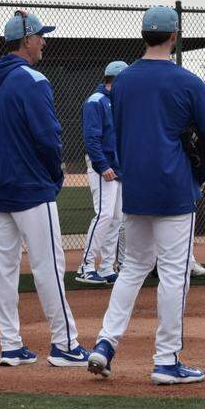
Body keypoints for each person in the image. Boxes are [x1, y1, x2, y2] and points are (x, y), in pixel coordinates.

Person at [87, 5, 205, 384]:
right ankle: (166, 361)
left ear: (143, 35)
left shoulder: (123, 80)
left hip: (136, 186)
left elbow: (122, 131)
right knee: (174, 274)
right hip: (175, 186)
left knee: (132, 267)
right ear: (174, 37)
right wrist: (199, 174)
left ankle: (105, 343)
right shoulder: (189, 81)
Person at [0, 11, 87, 367]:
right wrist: (53, 176)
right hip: (31, 186)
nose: (44, 41)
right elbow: (48, 137)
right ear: (26, 40)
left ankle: (10, 345)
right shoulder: (33, 80)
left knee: (6, 269)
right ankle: (65, 344)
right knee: (49, 267)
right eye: (40, 35)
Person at [75, 60, 127, 285]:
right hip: (102, 167)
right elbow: (91, 138)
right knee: (104, 215)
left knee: (116, 218)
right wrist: (102, 165)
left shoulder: (116, 102)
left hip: (117, 167)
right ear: (116, 80)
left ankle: (106, 267)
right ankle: (85, 267)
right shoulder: (95, 101)